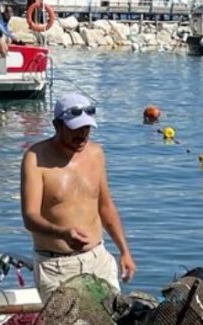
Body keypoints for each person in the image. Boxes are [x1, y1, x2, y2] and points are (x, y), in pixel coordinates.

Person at [21, 93, 135, 302]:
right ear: (57, 125)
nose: (82, 135)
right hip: (56, 267)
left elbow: (105, 206)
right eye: (75, 129)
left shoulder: (96, 154)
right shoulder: (35, 158)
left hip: (97, 258)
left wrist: (124, 251)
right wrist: (62, 233)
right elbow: (29, 217)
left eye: (87, 128)